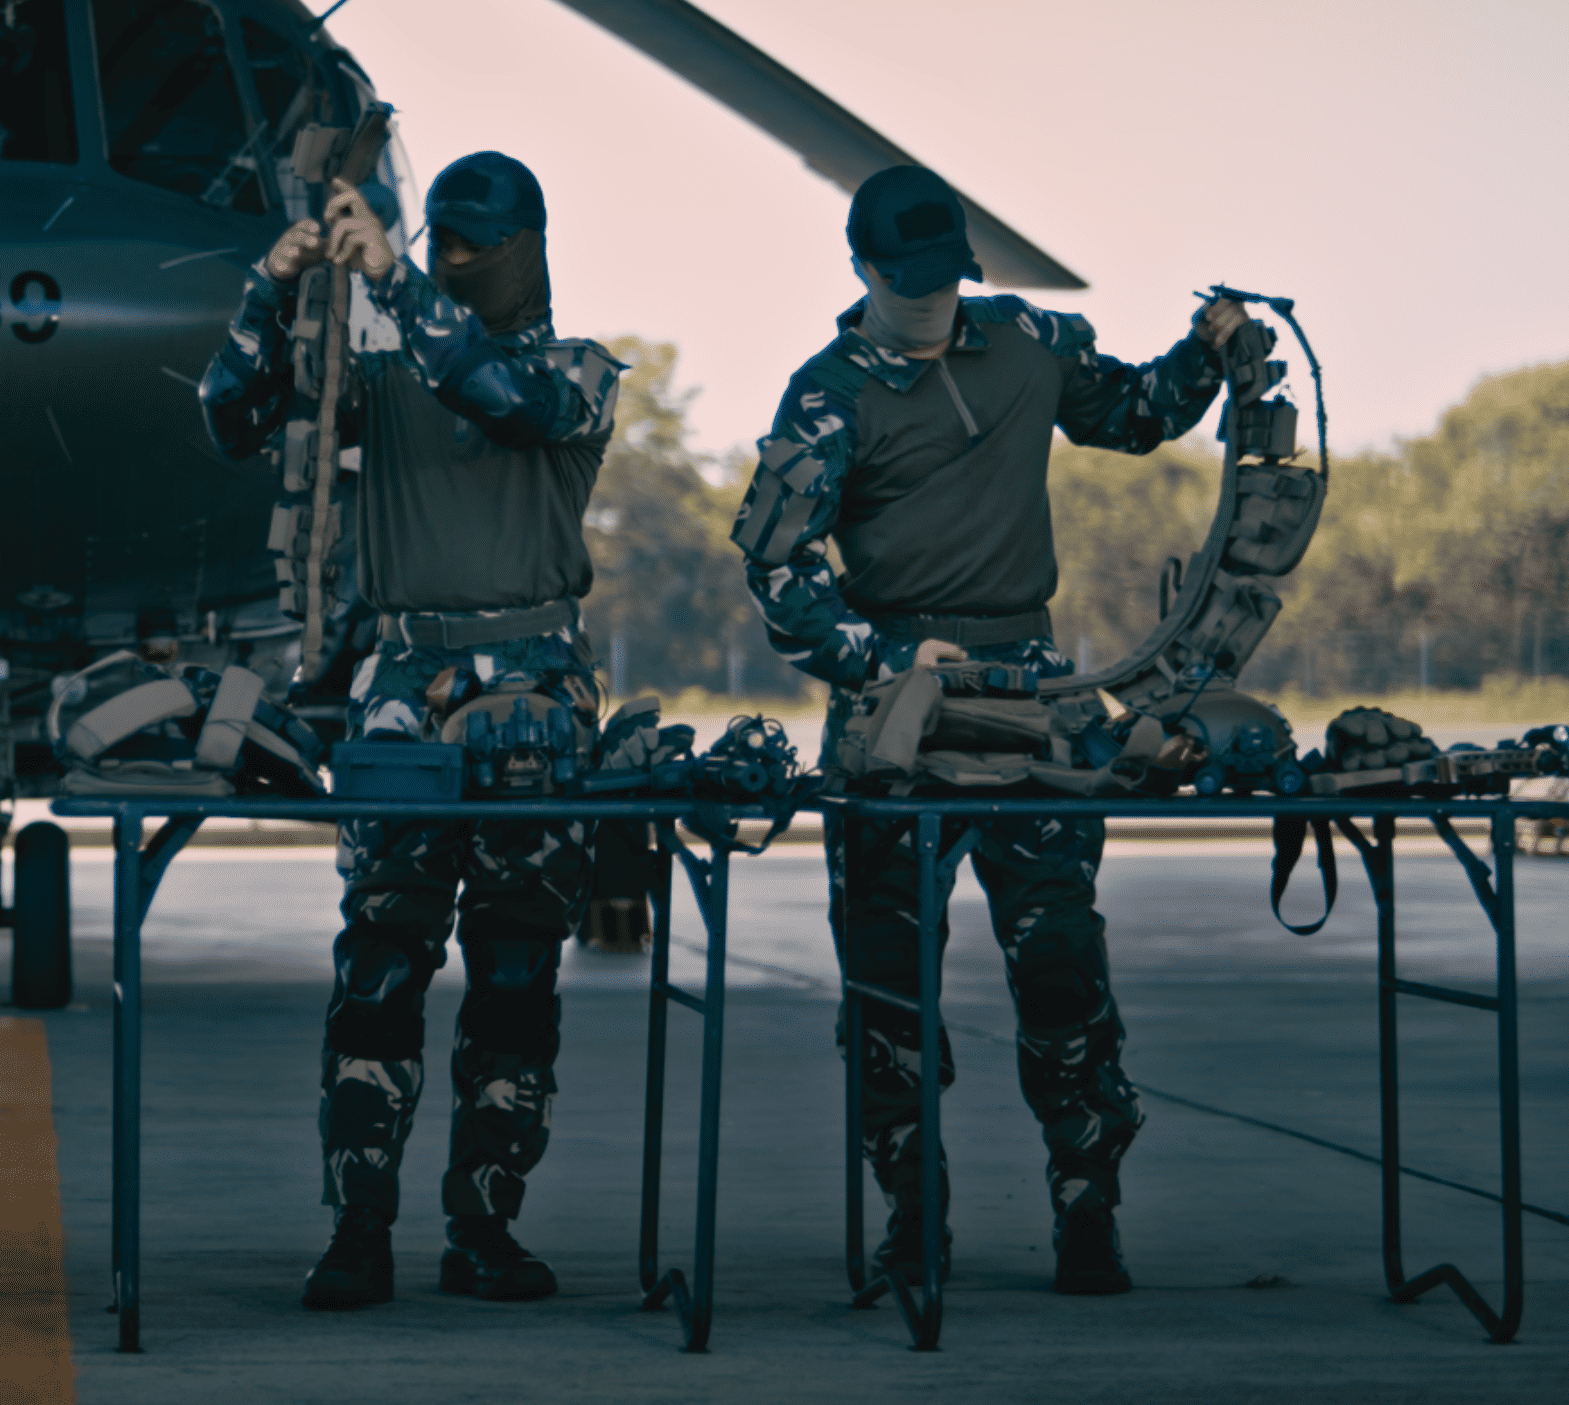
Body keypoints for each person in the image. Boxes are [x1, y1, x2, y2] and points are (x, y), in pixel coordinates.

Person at [729, 164, 1242, 1296]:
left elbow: (1135, 415)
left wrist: (1208, 351)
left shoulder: (1025, 342)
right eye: (905, 283)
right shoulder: (827, 395)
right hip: (895, 710)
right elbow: (775, 567)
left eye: (942, 281)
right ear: (863, 268)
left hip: (1030, 703)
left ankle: (1087, 1206)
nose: (926, 301)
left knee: (1060, 963)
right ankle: (913, 1219)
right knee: (887, 985)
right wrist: (875, 660)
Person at [198, 151, 628, 1310]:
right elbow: (230, 421)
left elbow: (500, 395)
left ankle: (484, 1226)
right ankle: (359, 1227)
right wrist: (272, 288)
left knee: (514, 977)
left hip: (533, 684)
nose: (457, 261)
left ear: (528, 247)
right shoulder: (384, 366)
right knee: (380, 968)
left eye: (476, 244)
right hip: (403, 688)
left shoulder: (575, 372)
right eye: (443, 241)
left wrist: (392, 279)